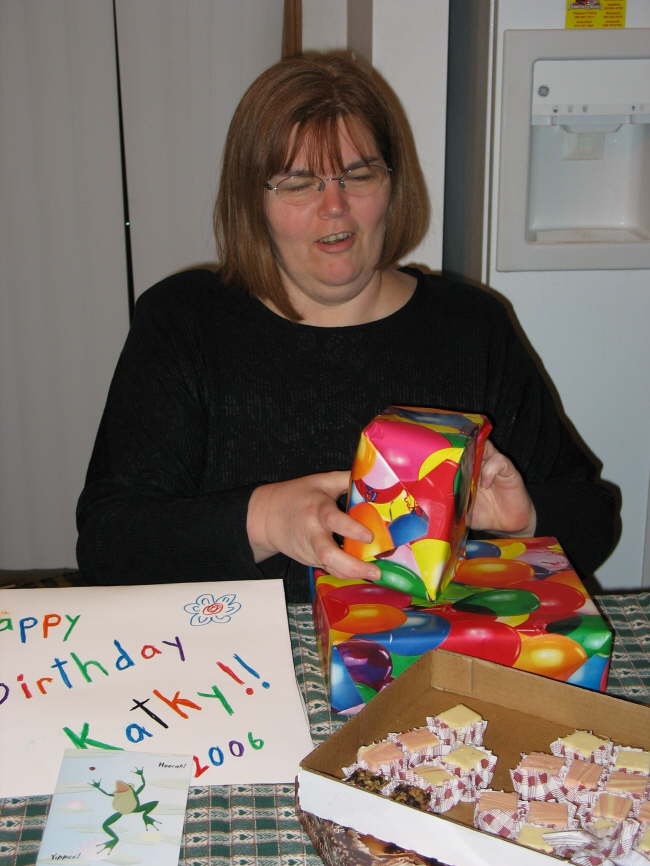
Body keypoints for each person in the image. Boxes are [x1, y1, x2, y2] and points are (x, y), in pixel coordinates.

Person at [76, 51, 618, 602]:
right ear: (251, 200)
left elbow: (594, 515)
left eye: (358, 175)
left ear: (392, 185)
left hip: (425, 662)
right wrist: (262, 519)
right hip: (232, 662)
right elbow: (108, 543)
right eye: (297, 182)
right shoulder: (183, 319)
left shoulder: (469, 325)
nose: (334, 207)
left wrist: (523, 520)